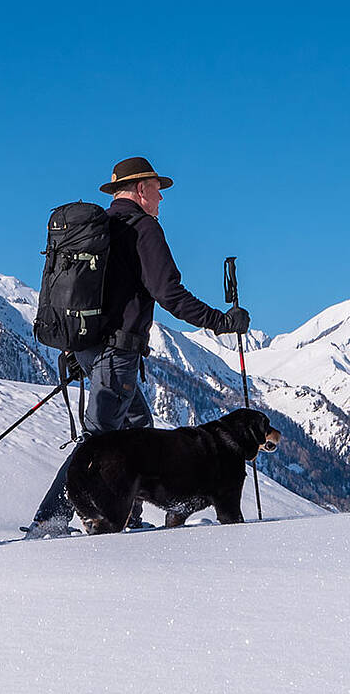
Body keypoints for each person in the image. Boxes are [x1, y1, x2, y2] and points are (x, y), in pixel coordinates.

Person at [22, 156, 250, 538]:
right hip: (117, 353)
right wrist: (221, 322)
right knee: (96, 447)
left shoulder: (102, 229)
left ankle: (126, 512)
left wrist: (85, 350)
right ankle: (50, 521)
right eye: (158, 191)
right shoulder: (144, 229)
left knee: (140, 429)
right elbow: (169, 294)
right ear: (142, 190)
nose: (161, 200)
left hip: (91, 348)